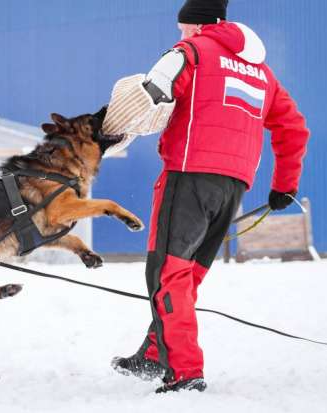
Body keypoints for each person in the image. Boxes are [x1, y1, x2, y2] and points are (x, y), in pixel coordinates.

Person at [104, 0, 310, 393]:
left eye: (184, 28)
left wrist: (109, 130)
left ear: (200, 26)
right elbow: (294, 127)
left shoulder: (190, 53)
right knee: (187, 276)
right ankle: (154, 353)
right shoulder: (262, 73)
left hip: (189, 176)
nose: (180, 35)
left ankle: (184, 372)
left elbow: (149, 95)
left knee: (167, 273)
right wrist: (285, 184)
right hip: (233, 186)